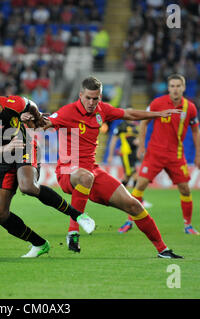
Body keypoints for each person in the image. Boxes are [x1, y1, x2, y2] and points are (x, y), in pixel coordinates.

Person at [22, 76, 183, 259]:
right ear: (80, 95)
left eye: (95, 98)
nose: (91, 102)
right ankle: (73, 233)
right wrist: (30, 118)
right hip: (68, 172)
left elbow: (129, 114)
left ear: (100, 97)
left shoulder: (102, 110)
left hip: (93, 171)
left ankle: (163, 250)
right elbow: (44, 123)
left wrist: (157, 115)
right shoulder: (67, 112)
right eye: (88, 98)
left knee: (133, 205)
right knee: (85, 177)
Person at [0, 77, 95, 258]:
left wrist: (36, 116)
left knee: (28, 186)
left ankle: (79, 216)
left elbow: (30, 104)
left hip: (25, 147)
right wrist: (7, 148)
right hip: (3, 157)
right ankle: (39, 243)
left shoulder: (12, 103)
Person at [118, 74, 200, 235]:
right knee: (140, 186)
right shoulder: (157, 103)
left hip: (176, 155)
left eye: (178, 86)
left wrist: (199, 154)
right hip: (155, 154)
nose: (175, 89)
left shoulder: (189, 108)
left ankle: (188, 225)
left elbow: (196, 130)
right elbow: (144, 122)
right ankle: (129, 221)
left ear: (183, 88)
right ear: (168, 87)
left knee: (185, 189)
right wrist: (141, 147)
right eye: (172, 86)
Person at [107, 116, 153, 216]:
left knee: (127, 177)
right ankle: (140, 201)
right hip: (126, 154)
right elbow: (113, 140)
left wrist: (139, 144)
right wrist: (110, 155)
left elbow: (139, 139)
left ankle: (113, 196)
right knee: (135, 176)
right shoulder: (121, 126)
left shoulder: (135, 126)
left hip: (133, 155)